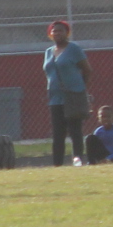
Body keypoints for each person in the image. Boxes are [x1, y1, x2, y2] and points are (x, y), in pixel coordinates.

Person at [43, 20, 91, 168]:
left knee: (75, 131)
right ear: (50, 34)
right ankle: (57, 164)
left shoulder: (74, 49)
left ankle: (77, 160)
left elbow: (87, 70)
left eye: (60, 30)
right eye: (54, 31)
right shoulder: (48, 52)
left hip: (71, 96)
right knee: (58, 133)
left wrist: (79, 88)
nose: (57, 33)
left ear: (67, 33)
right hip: (55, 98)